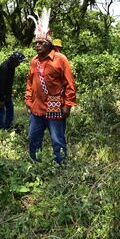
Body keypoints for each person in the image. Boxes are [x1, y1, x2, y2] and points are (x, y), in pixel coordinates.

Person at [25, 9, 76, 165]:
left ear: (49, 44)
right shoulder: (34, 61)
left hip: (55, 105)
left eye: (41, 43)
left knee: (57, 139)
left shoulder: (60, 59)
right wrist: (28, 100)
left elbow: (69, 84)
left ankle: (60, 167)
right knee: (33, 138)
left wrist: (67, 105)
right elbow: (29, 82)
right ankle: (34, 164)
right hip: (36, 107)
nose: (38, 46)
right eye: (36, 43)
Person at [0, 51, 26, 130]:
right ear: (15, 60)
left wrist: (8, 95)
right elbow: (1, 84)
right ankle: (1, 129)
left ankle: (8, 126)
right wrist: (1, 99)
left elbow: (9, 83)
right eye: (19, 62)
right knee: (0, 109)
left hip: (5, 92)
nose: (19, 64)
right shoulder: (5, 67)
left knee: (10, 107)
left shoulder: (12, 66)